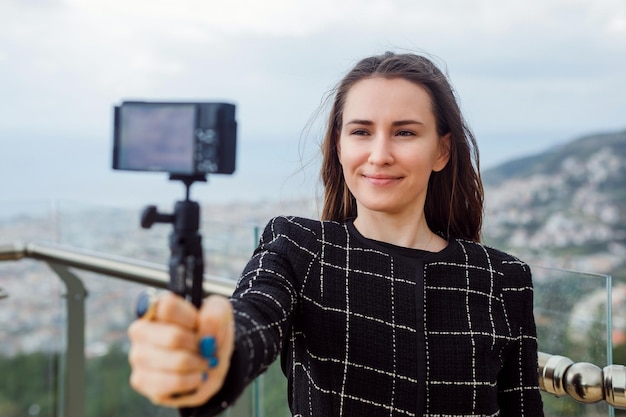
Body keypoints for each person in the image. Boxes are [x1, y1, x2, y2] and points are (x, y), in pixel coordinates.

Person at [127, 51, 545, 416]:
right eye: (361, 131)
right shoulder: (300, 247)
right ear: (339, 147)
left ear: (442, 151)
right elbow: (253, 319)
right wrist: (211, 356)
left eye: (405, 132)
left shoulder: (503, 279)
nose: (379, 155)